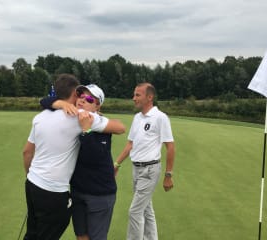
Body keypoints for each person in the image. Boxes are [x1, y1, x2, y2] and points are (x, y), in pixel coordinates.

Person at [22, 74, 124, 240]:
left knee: (33, 234)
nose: (84, 99)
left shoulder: (41, 116)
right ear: (75, 95)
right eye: (82, 95)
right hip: (54, 192)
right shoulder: (79, 116)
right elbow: (119, 127)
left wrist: (30, 178)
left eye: (89, 98)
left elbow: (27, 152)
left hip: (33, 184)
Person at [114, 82, 175, 240]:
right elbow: (130, 144)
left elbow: (170, 147)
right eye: (134, 94)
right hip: (136, 169)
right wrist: (117, 163)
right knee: (146, 209)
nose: (134, 98)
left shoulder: (160, 118)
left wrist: (168, 175)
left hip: (150, 170)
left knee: (135, 211)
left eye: (137, 95)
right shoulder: (137, 118)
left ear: (150, 97)